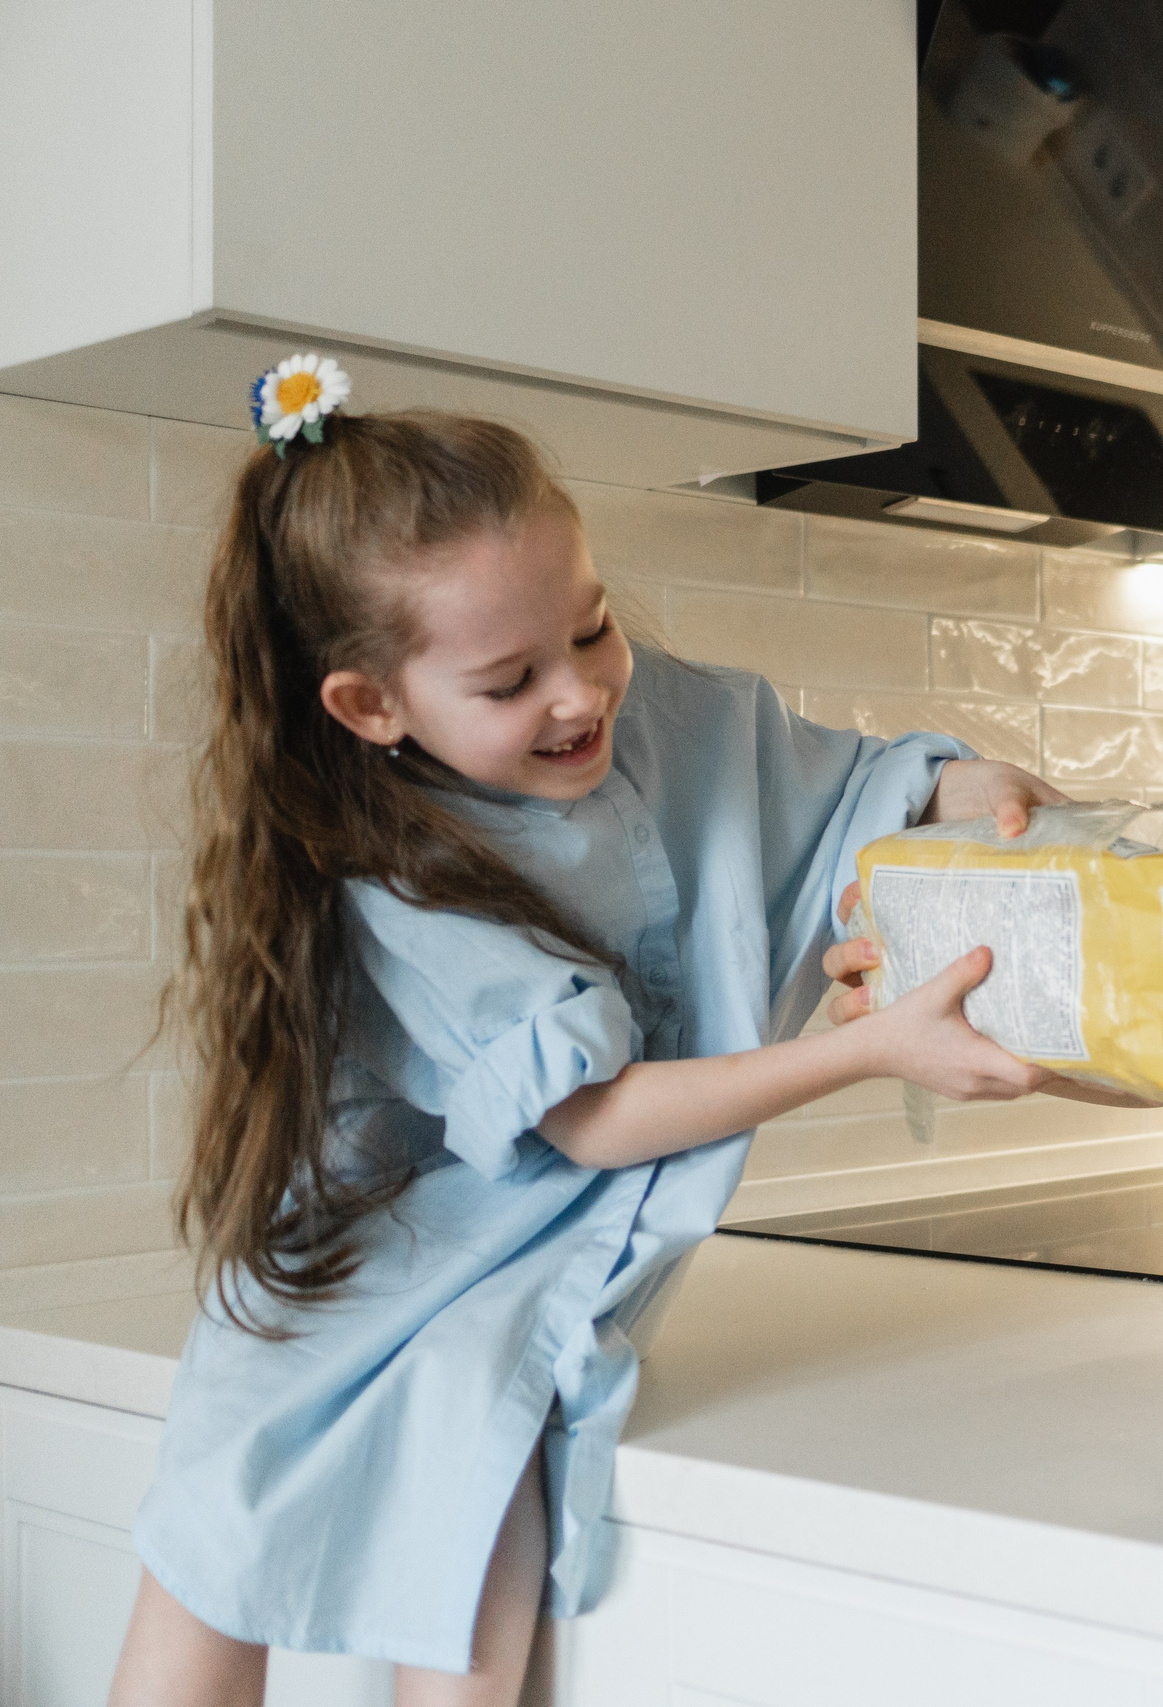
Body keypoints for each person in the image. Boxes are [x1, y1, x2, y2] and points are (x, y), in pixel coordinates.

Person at [111, 389, 1065, 1705]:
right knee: (217, 1534)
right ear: (371, 704)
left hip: (532, 1278)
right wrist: (869, 1052)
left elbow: (848, 785)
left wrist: (959, 785)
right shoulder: (393, 867)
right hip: (368, 1273)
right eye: (510, 682)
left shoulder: (659, 712)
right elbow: (595, 1115)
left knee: (483, 1484)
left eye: (594, 625)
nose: (580, 691)